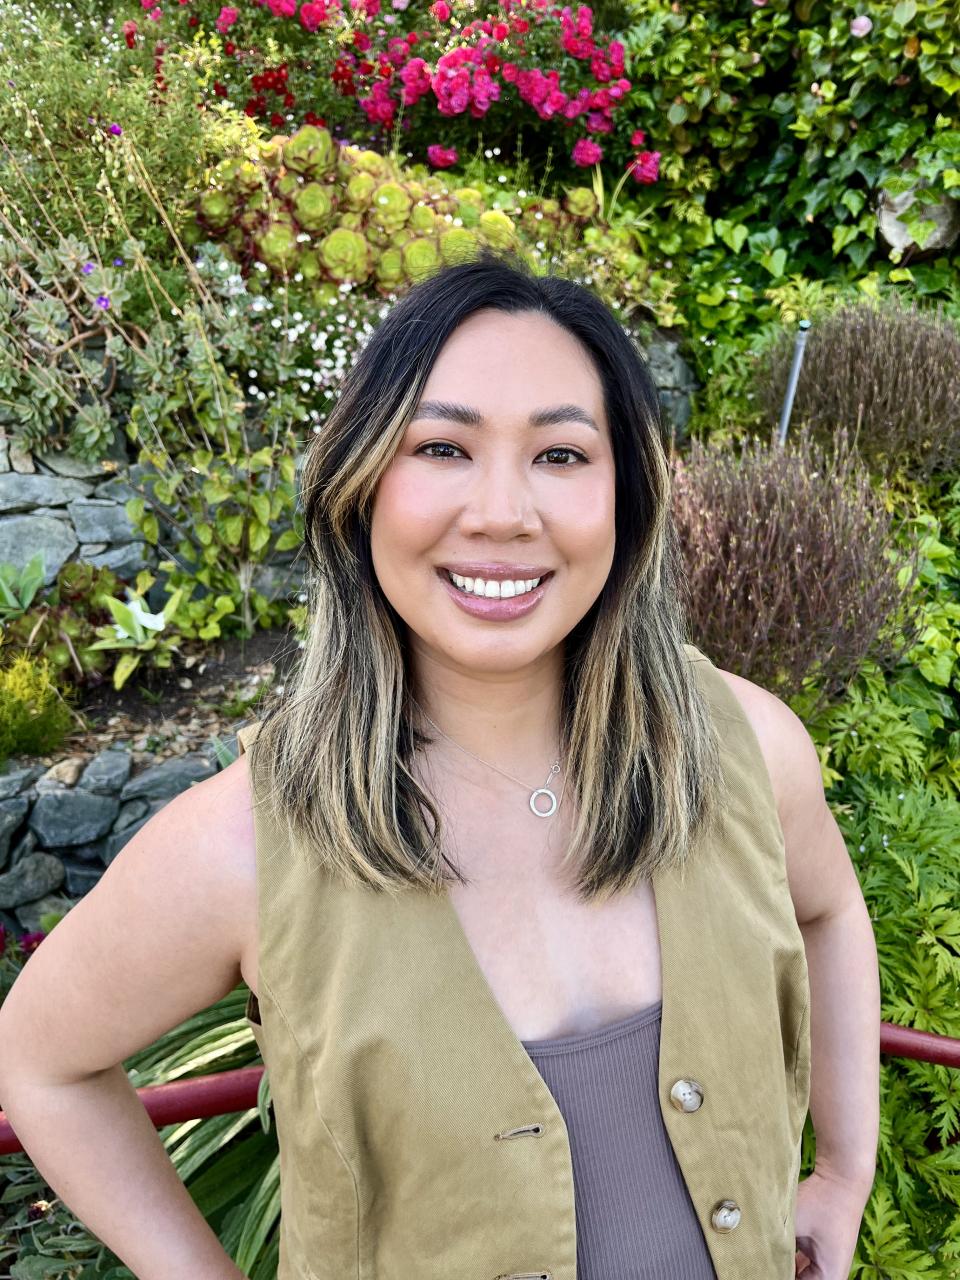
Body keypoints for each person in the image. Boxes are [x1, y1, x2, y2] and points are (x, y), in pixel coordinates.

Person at [0, 247, 880, 1280]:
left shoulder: (745, 749)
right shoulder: (244, 846)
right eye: (442, 447)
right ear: (362, 484)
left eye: (561, 454)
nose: (502, 512)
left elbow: (831, 910)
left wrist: (842, 1169)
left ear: (626, 498)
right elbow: (42, 1061)